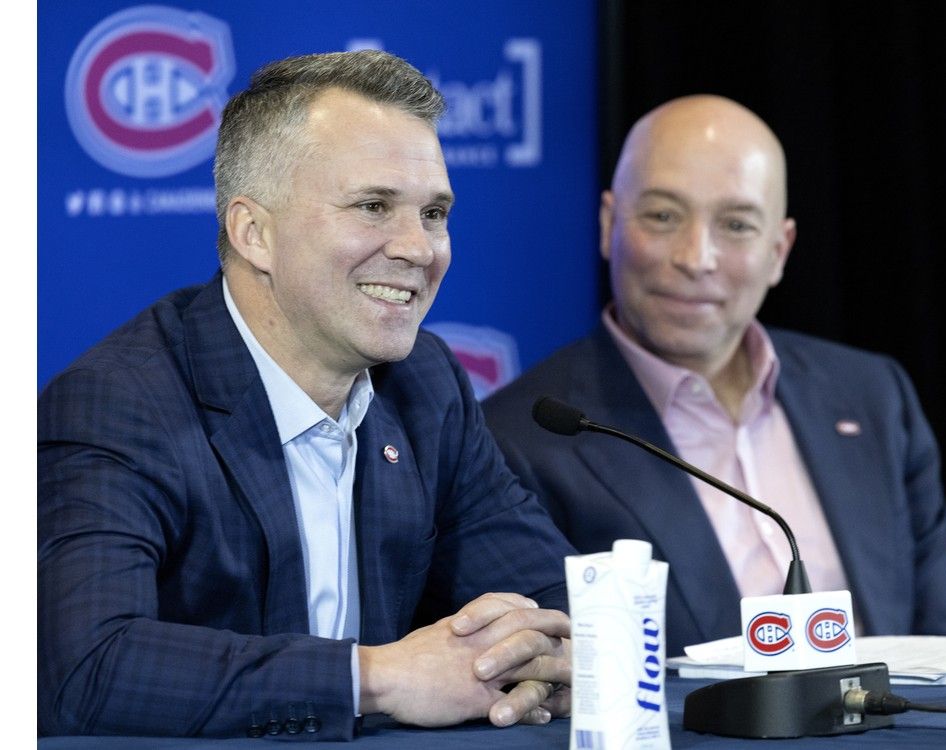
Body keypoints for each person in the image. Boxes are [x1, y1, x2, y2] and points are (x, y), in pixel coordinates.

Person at [38, 50, 575, 740]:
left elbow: (552, 598)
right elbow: (86, 664)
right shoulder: (117, 404)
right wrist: (379, 676)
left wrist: (544, 658)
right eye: (373, 206)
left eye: (434, 213)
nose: (420, 248)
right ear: (253, 232)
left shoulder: (425, 384)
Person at [482, 94, 946, 657]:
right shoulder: (521, 438)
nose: (696, 256)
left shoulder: (873, 395)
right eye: (663, 216)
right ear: (610, 223)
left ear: (779, 251)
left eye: (736, 224)